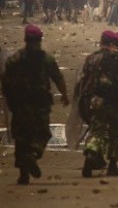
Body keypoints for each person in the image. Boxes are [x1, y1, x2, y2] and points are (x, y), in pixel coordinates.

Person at [1, 25, 70, 185]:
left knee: (21, 137)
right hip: (40, 104)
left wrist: (9, 100)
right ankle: (34, 153)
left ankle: (23, 173)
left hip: (20, 104)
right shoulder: (46, 59)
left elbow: (5, 83)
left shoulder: (14, 59)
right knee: (43, 133)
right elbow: (58, 78)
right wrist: (65, 96)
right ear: (39, 40)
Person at [81, 30, 118, 177]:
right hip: (115, 102)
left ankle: (91, 151)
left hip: (97, 100)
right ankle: (112, 166)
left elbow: (85, 80)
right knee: (115, 134)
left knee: (97, 131)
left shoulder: (95, 57)